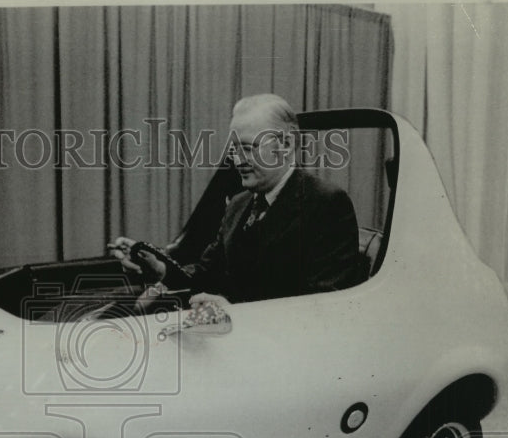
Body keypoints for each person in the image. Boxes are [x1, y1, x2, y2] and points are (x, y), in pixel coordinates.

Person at [111, 94, 361, 307]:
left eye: (248, 148)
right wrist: (159, 268)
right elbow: (205, 275)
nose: (237, 160)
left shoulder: (327, 204)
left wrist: (237, 314)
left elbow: (323, 308)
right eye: (234, 149)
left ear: (286, 144)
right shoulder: (238, 204)